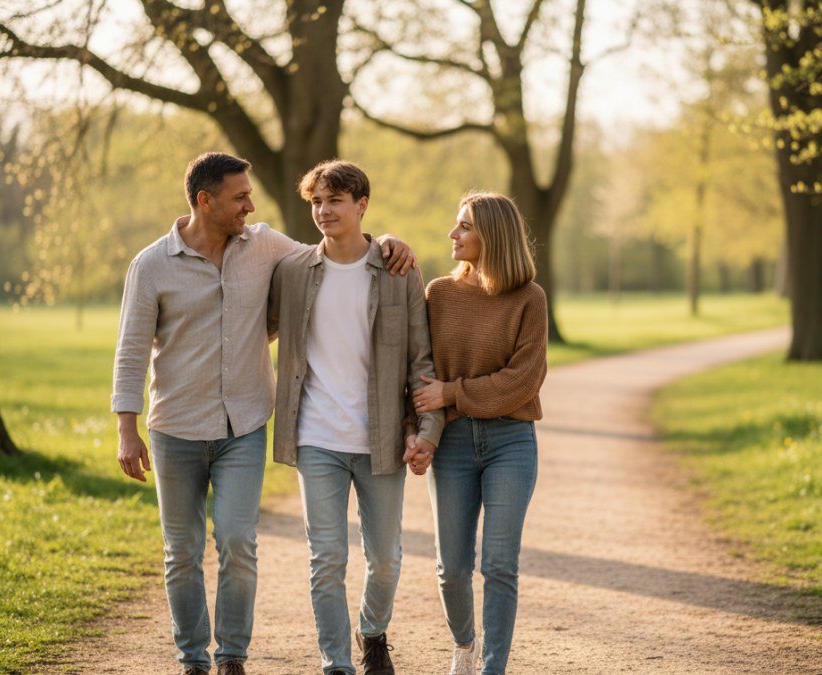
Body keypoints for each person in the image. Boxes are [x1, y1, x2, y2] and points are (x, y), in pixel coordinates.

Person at [111, 152, 414, 675]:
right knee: (181, 550)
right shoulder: (153, 264)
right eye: (239, 197)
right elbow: (131, 348)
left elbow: (334, 255)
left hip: (244, 425)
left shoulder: (265, 245)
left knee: (236, 540)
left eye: (250, 194)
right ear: (205, 201)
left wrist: (385, 240)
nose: (250, 204)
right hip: (175, 428)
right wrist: (126, 428)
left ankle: (231, 656)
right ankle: (192, 658)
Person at [267, 160, 444, 675]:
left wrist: (427, 432)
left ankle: (372, 633)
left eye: (335, 201)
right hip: (316, 436)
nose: (323, 211)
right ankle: (336, 663)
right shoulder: (294, 271)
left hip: (381, 437)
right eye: (317, 202)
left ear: (361, 205)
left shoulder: (398, 271)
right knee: (326, 560)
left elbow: (420, 360)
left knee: (386, 558)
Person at [412, 192, 548, 675]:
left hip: (511, 442)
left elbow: (523, 381)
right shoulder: (439, 294)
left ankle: (493, 668)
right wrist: (419, 431)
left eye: (464, 226)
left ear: (492, 235)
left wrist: (453, 393)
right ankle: (465, 644)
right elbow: (420, 371)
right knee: (451, 569)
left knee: (499, 564)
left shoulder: (529, 299)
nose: (453, 235)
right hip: (450, 446)